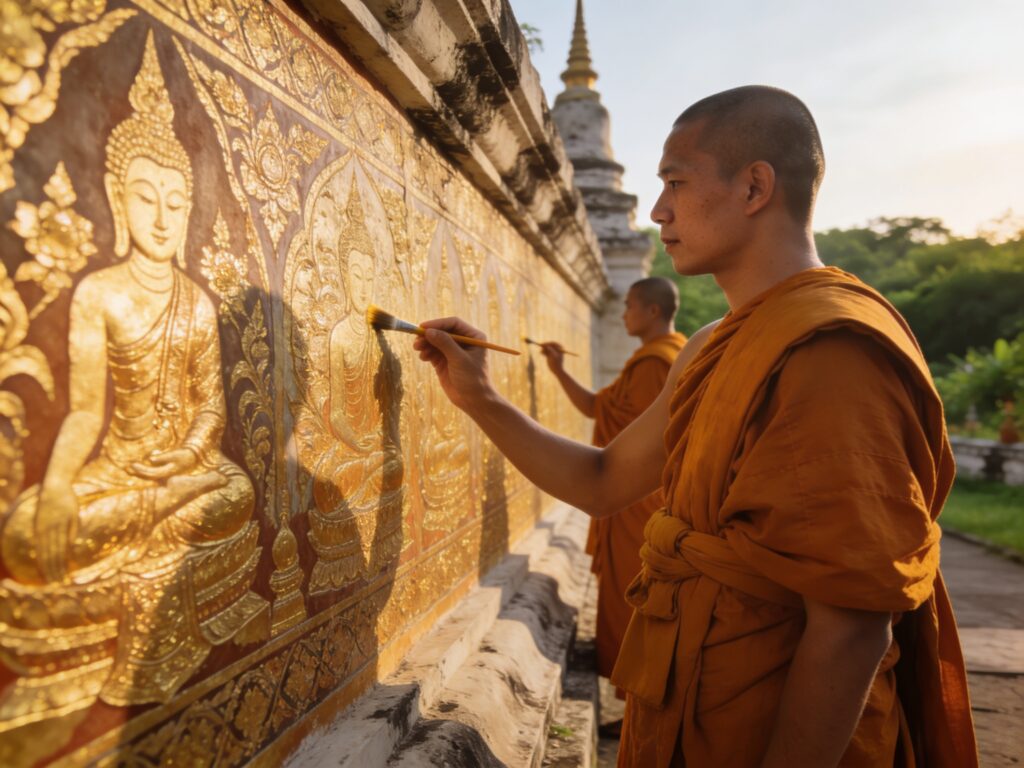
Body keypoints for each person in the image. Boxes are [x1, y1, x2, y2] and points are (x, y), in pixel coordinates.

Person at [413, 84, 978, 767]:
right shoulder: (711, 346)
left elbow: (853, 622)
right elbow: (602, 480)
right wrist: (480, 397)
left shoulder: (833, 350)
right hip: (687, 700)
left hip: (779, 727)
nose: (657, 210)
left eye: (676, 182)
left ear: (754, 187)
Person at [539, 277, 685, 725]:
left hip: (635, 499)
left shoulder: (654, 364)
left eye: (629, 306)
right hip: (642, 495)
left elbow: (636, 441)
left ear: (652, 312)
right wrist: (559, 370)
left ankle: (640, 704)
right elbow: (598, 409)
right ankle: (639, 702)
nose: (623, 315)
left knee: (633, 597)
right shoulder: (667, 355)